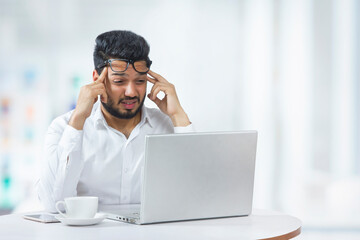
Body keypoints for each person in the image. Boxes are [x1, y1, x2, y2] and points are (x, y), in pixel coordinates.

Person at [37, 30, 193, 212]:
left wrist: (178, 115)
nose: (131, 92)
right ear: (97, 80)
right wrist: (79, 117)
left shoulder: (168, 126)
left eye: (140, 81)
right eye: (119, 81)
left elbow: (195, 194)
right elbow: (52, 205)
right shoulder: (64, 128)